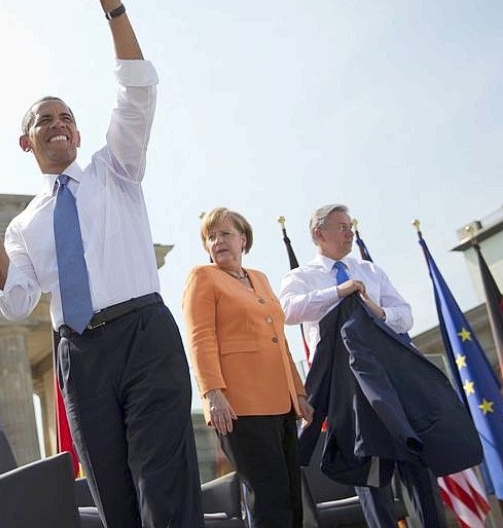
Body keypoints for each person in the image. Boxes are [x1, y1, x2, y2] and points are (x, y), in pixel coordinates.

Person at [0, 0, 203, 528]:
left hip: (144, 334)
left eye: (66, 116)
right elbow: (15, 306)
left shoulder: (115, 170)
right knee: (114, 499)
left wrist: (111, 3)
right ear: (27, 142)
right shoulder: (24, 224)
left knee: (163, 490)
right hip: (80, 354)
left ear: (79, 132)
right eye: (45, 119)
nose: (58, 124)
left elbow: (137, 93)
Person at [278, 203, 445, 528]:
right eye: (341, 226)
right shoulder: (301, 278)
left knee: (418, 469)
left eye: (350, 225)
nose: (349, 231)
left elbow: (405, 314)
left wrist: (380, 313)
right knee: (370, 479)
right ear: (318, 234)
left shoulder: (371, 271)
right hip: (348, 391)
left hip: (392, 384)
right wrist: (338, 292)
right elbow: (286, 311)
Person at [182, 207, 314, 528]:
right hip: (239, 406)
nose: (217, 242)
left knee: (292, 498)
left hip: (281, 403)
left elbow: (279, 340)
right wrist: (212, 393)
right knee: (270, 498)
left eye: (224, 234)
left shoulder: (261, 279)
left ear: (243, 239)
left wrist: (299, 393)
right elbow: (200, 338)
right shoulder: (203, 277)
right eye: (210, 237)